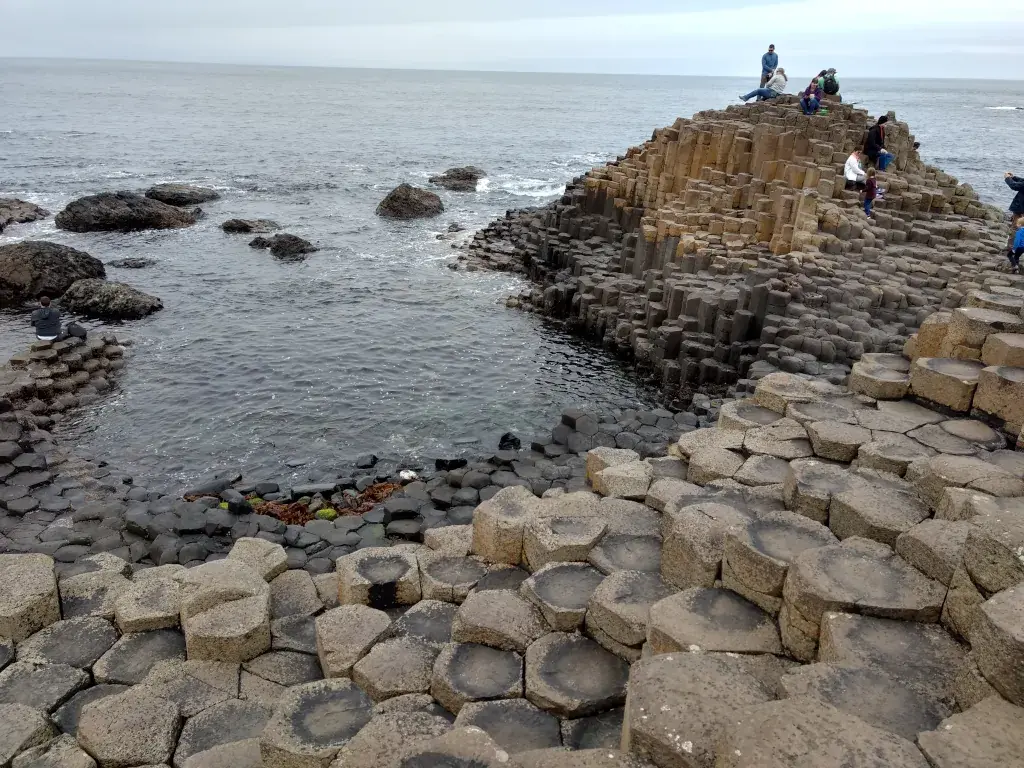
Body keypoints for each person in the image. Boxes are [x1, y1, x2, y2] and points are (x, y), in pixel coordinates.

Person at [1005, 172, 1024, 255]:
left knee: (1015, 228)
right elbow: (1022, 182)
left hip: (1020, 208)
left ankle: (1011, 248)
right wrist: (1014, 177)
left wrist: (1007, 178)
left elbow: (1014, 186)